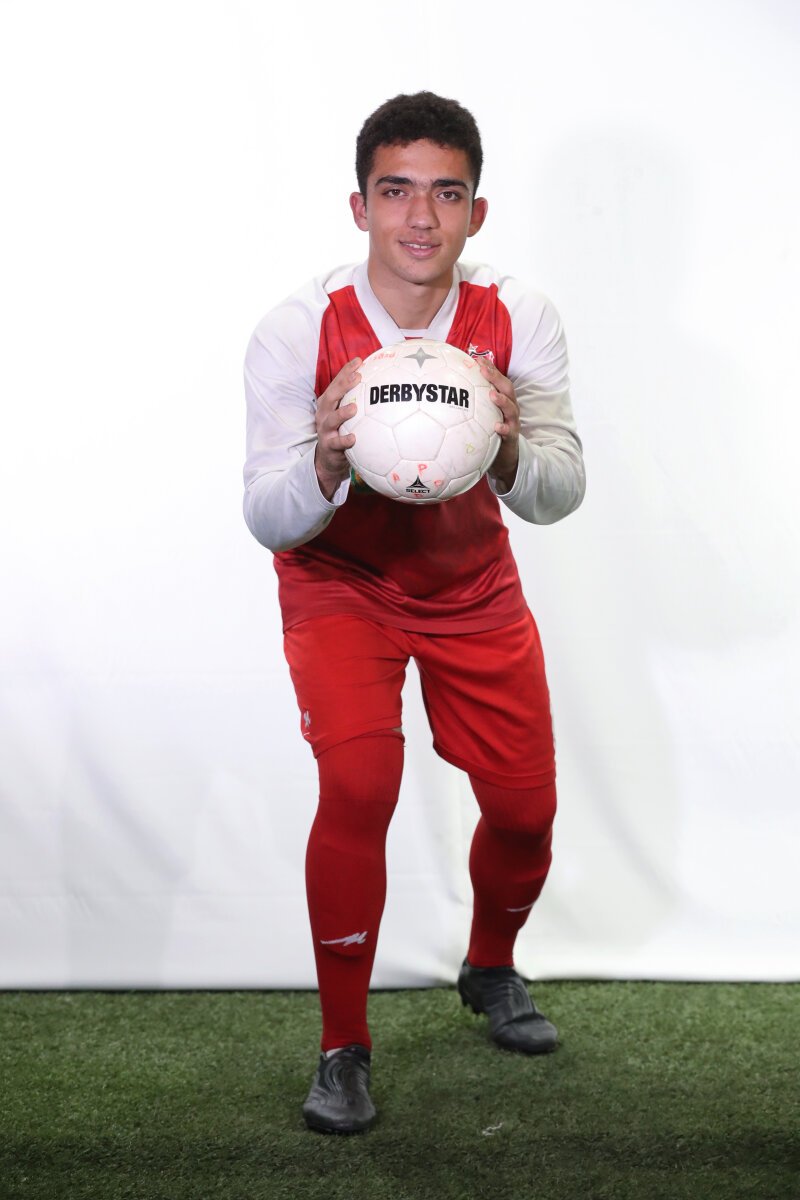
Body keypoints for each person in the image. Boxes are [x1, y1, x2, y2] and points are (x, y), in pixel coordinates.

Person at [242, 91, 585, 1135]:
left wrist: (509, 445)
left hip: (471, 584)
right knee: (358, 785)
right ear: (360, 206)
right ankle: (342, 1047)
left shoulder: (518, 317)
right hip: (338, 581)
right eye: (396, 191)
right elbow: (264, 514)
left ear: (476, 211)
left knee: (525, 812)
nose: (420, 217)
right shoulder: (297, 328)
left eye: (446, 193)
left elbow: (561, 492)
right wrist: (325, 461)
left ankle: (490, 965)